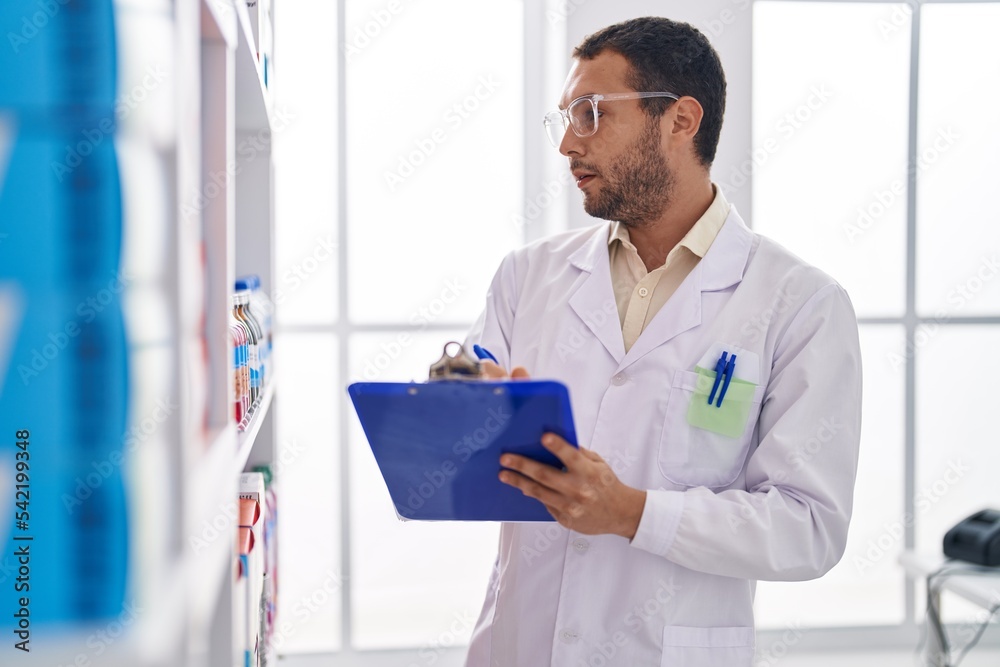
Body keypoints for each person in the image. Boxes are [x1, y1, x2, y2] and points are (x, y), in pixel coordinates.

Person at [462, 16, 863, 667]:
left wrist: (632, 512)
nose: (567, 143)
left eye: (590, 113)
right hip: (519, 645)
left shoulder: (799, 304)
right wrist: (461, 404)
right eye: (564, 117)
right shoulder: (527, 276)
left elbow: (807, 527)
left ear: (680, 121)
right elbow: (471, 448)